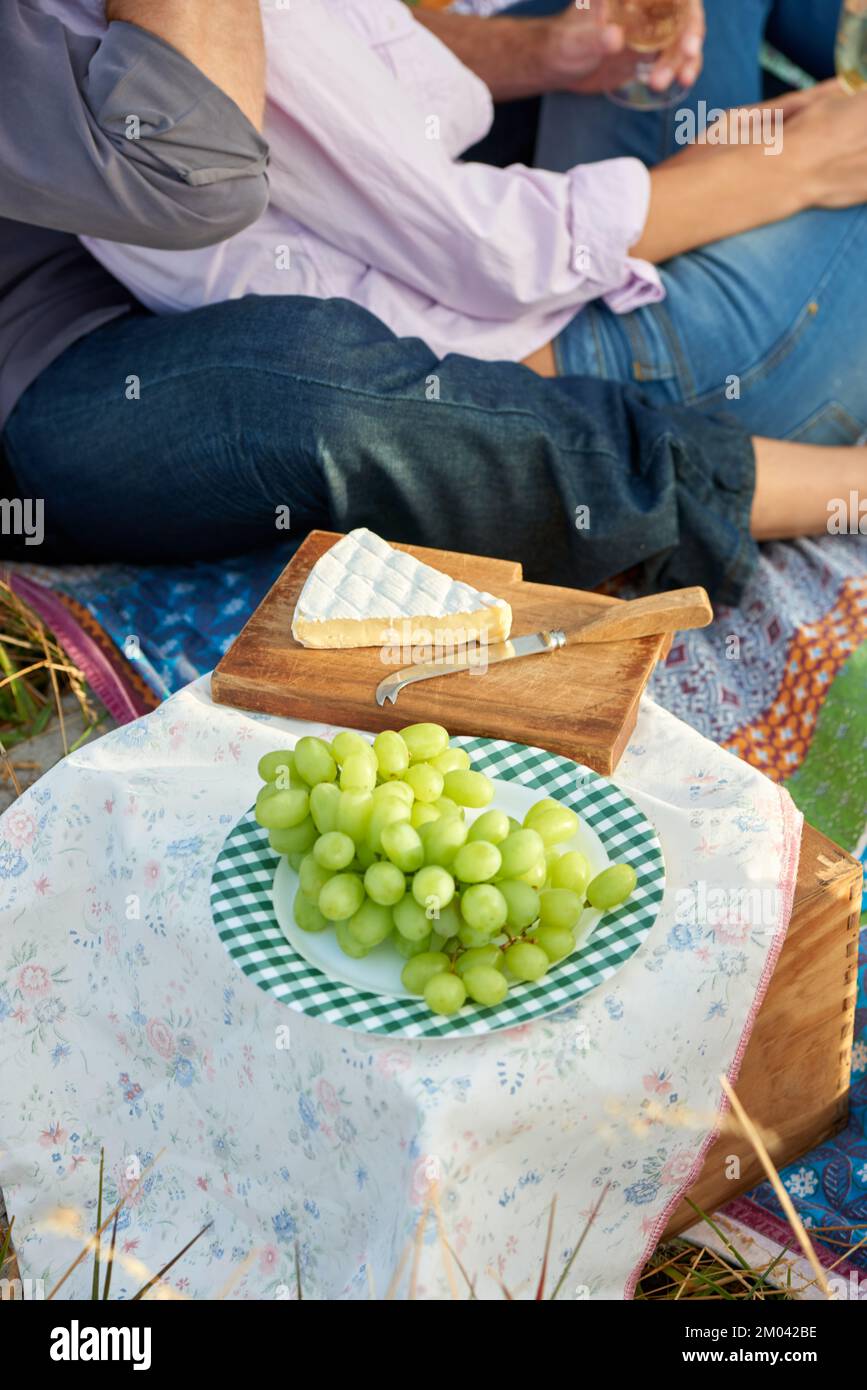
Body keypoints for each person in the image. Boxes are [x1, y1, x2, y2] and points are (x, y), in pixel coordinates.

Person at [0, 0, 863, 606]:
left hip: (500, 271)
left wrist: (561, 50)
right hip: (565, 359)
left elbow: (388, 95)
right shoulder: (157, 66)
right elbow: (479, 249)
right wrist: (773, 170)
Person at [46, 0, 867, 447]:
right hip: (585, 370)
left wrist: (712, 164)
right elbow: (491, 254)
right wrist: (790, 166)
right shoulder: (207, 28)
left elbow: (414, 132)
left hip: (534, 305)